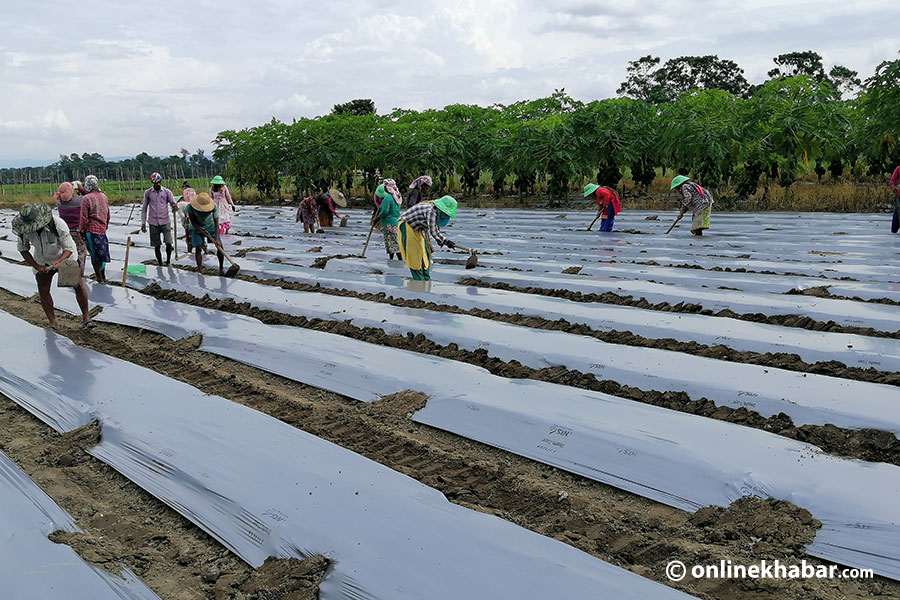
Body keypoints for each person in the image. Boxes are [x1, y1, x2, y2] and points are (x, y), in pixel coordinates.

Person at [13, 204, 95, 331]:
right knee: (43, 289)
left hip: (65, 256)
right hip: (42, 260)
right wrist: (37, 266)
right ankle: (53, 323)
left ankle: (86, 318)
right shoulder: (23, 230)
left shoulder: (57, 224)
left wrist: (58, 262)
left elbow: (68, 248)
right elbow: (23, 250)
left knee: (77, 284)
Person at [397, 195, 458, 280]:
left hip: (418, 228)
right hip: (407, 225)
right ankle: (419, 281)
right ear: (441, 209)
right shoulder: (431, 211)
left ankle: (426, 278)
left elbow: (435, 228)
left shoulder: (435, 210)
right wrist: (446, 241)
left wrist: (440, 241)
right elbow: (433, 231)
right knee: (415, 254)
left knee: (425, 252)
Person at [141, 172, 178, 265]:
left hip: (165, 221)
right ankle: (160, 263)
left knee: (168, 243)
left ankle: (168, 261)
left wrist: (174, 206)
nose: (157, 184)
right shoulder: (148, 193)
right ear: (152, 183)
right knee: (156, 245)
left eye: (158, 183)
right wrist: (143, 222)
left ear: (161, 181)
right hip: (153, 222)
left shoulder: (167, 192)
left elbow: (173, 202)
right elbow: (144, 208)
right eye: (155, 183)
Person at [79, 175, 111, 282]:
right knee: (102, 253)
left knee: (94, 255)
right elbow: (108, 215)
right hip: (102, 230)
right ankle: (103, 276)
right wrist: (105, 226)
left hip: (91, 231)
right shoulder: (104, 197)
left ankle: (99, 278)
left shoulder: (86, 199)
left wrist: (82, 231)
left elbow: (84, 218)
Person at [186, 192, 225, 274]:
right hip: (196, 228)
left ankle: (221, 268)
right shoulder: (190, 207)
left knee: (220, 247)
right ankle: (200, 270)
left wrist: (217, 239)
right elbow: (192, 221)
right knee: (198, 248)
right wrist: (201, 231)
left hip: (210, 226)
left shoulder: (214, 207)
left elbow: (216, 223)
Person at [54, 182, 87, 274]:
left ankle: (69, 274)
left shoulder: (58, 201)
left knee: (68, 253)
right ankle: (79, 276)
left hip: (65, 232)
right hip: (77, 232)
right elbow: (89, 197)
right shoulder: (80, 200)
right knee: (80, 254)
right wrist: (81, 188)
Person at [372, 179, 402, 259]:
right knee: (392, 241)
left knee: (392, 242)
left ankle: (400, 259)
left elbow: (384, 212)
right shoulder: (397, 197)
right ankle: (391, 258)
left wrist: (377, 218)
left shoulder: (388, 198)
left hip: (388, 222)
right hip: (395, 221)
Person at [177, 183, 197, 252]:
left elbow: (183, 216)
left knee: (189, 234)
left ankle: (190, 250)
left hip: (189, 212)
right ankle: (203, 247)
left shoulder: (180, 204)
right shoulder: (193, 190)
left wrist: (185, 223)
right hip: (195, 208)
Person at [890, 165, 900, 233]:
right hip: (899, 196)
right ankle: (894, 229)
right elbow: (892, 180)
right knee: (897, 213)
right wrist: (894, 187)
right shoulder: (899, 168)